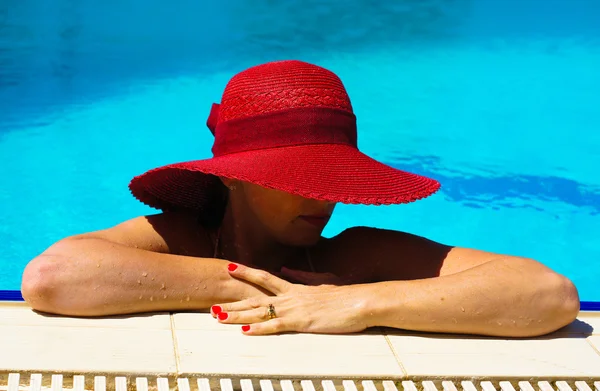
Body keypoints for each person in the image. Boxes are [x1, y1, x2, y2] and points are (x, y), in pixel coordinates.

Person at [21, 60, 579, 337]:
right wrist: (247, 285)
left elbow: (548, 293)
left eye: (330, 176)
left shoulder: (354, 257)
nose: (321, 196)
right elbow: (52, 278)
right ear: (233, 176)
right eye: (294, 175)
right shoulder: (185, 237)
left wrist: (360, 303)